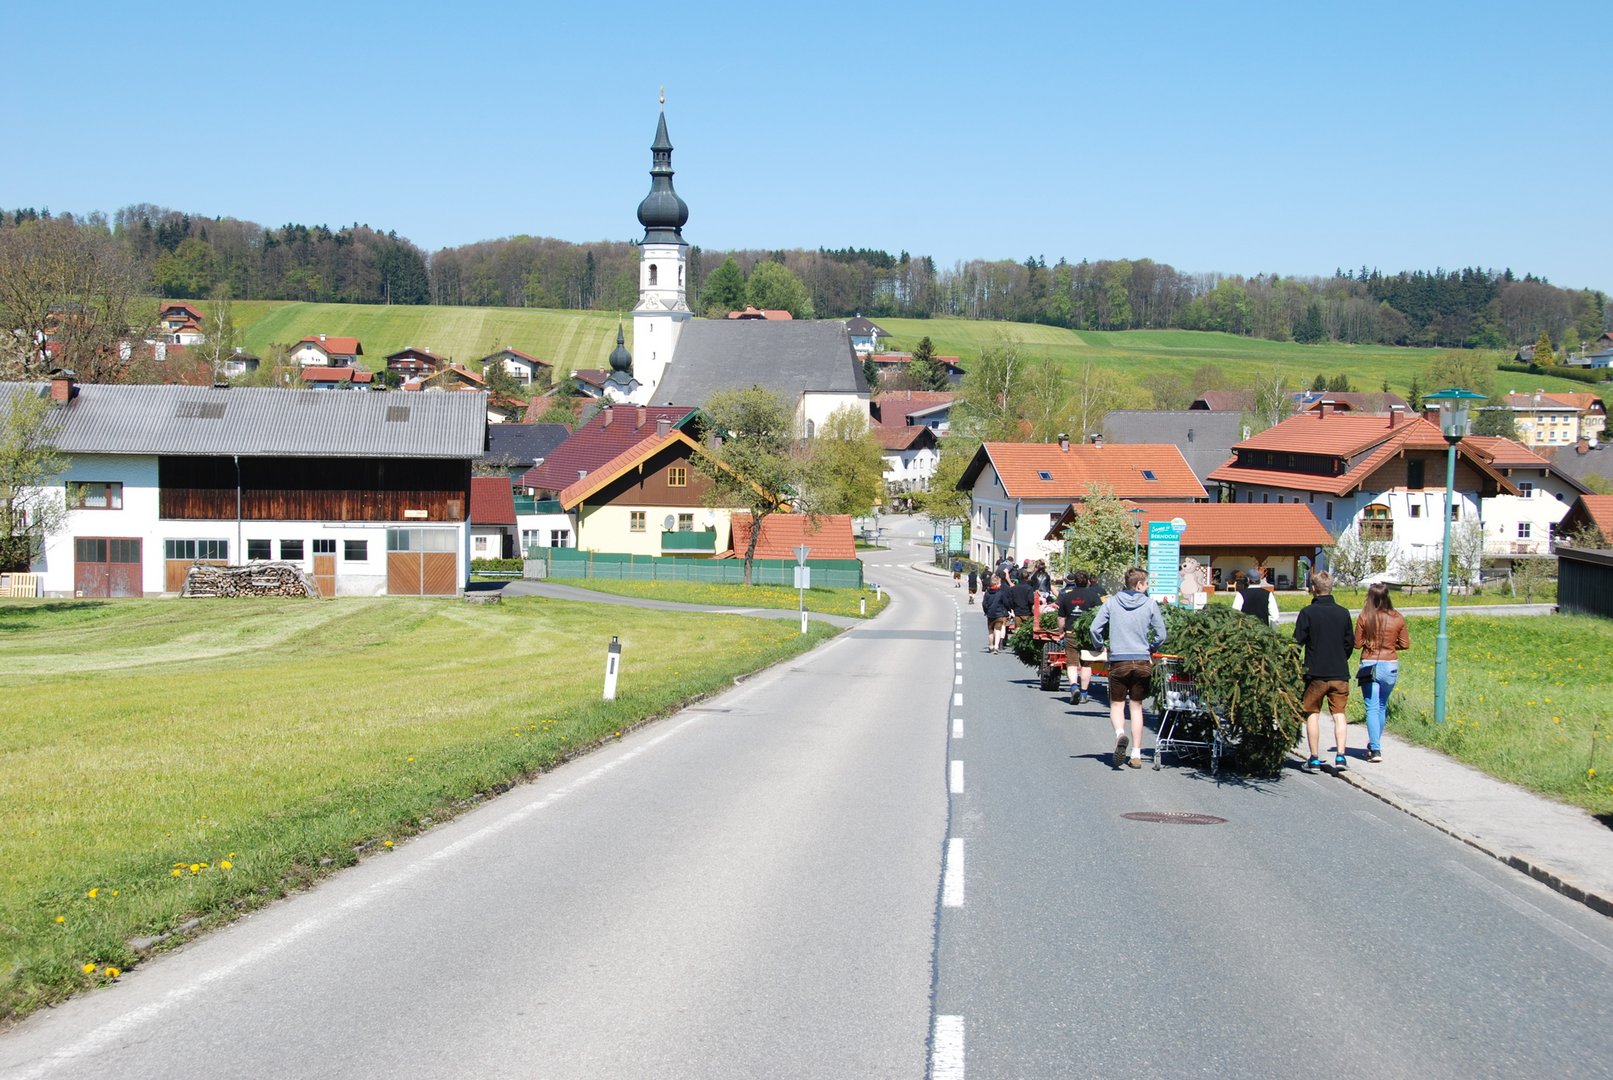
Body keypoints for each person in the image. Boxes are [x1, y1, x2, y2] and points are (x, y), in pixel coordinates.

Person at [1090, 567, 1167, 769]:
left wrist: (1100, 645)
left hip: (1119, 661)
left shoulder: (1112, 602)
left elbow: (1094, 628)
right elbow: (1162, 635)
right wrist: (1151, 648)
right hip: (1142, 661)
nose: (1148, 586)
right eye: (1147, 583)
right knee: (1136, 706)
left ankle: (1120, 735)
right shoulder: (1150, 604)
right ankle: (1136, 754)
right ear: (1139, 585)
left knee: (1117, 705)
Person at [1292, 570, 1355, 772]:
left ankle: (1314, 759)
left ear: (1313, 588)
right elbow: (1349, 643)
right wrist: (1340, 659)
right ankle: (1341, 757)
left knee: (1312, 713)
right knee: (1339, 714)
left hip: (1316, 673)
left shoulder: (1307, 613)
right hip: (1340, 672)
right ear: (1331, 588)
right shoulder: (1343, 613)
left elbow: (1296, 642)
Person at [1355, 582, 1410, 763]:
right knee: (1381, 706)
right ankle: (1374, 745)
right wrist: (1389, 645)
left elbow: (1357, 644)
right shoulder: (1397, 617)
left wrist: (1370, 643)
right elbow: (1405, 644)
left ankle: (1375, 749)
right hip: (1390, 665)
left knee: (1371, 707)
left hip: (1369, 664)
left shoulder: (1365, 616)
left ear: (1370, 597)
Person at [1056, 569, 1105, 704]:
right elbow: (1100, 616)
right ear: (1088, 581)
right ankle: (1084, 694)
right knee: (1086, 665)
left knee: (1071, 664)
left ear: (1075, 582)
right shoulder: (1094, 596)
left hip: (1071, 633)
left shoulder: (1066, 596)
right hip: (1087, 635)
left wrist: (1061, 632)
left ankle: (1074, 687)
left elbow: (1061, 618)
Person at [981, 572, 1012, 653]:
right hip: (1000, 614)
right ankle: (996, 647)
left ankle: (991, 646)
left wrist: (986, 611)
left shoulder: (987, 593)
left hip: (990, 614)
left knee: (990, 631)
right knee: (997, 630)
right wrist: (1009, 609)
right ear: (998, 584)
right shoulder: (1001, 593)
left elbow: (984, 604)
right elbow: (1006, 603)